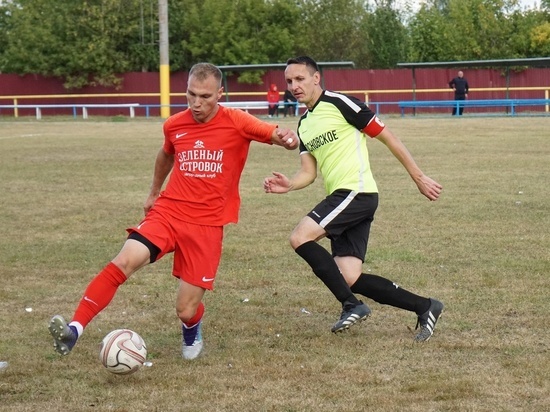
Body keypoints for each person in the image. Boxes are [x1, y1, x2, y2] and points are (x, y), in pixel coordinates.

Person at [48, 62, 298, 360]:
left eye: (205, 96)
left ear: (220, 93)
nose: (196, 103)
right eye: (191, 94)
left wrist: (287, 138)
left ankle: (192, 329)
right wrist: (154, 191)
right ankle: (75, 329)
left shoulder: (237, 120)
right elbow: (166, 153)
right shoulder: (175, 124)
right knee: (125, 260)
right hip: (169, 212)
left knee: (185, 309)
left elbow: (272, 133)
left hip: (207, 225)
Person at [263, 56, 444, 342]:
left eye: (300, 79)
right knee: (349, 277)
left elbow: (387, 137)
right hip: (342, 196)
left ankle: (352, 305)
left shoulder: (340, 103)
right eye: (289, 81)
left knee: (300, 237)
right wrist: (289, 185)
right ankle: (425, 306)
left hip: (356, 192)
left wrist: (418, 177)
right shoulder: (304, 125)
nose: (294, 86)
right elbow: (309, 173)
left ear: (316, 78)